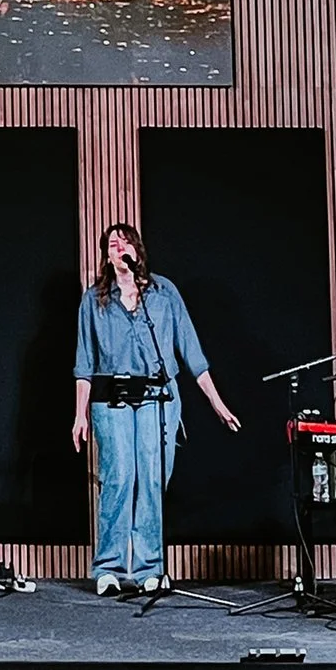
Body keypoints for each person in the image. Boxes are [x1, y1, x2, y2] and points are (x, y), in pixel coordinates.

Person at [70, 223, 241, 595]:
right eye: (111, 244)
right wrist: (79, 414)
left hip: (158, 398)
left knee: (150, 479)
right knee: (119, 479)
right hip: (111, 398)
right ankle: (108, 568)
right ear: (107, 254)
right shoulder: (94, 299)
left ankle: (150, 567)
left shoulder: (163, 293)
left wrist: (217, 402)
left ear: (136, 250)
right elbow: (84, 362)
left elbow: (191, 352)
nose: (118, 247)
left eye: (124, 241)